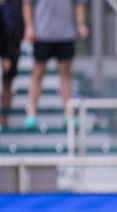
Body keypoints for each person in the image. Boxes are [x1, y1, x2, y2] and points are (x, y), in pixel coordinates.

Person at [22, 0, 89, 129]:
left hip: (66, 34)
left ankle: (68, 113)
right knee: (38, 73)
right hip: (42, 33)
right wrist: (29, 27)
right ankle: (31, 113)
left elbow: (79, 4)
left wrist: (80, 24)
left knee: (66, 75)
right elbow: (27, 3)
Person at [0, 0, 23, 127]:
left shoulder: (14, 6)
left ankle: (4, 116)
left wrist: (6, 55)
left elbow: (9, 29)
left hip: (10, 47)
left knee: (7, 82)